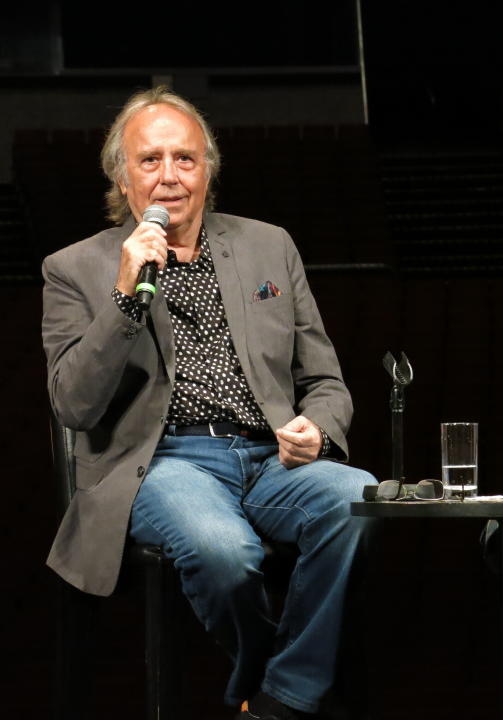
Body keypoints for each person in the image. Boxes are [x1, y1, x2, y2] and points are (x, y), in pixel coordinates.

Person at [42, 86, 375, 720]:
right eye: (150, 160)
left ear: (208, 169)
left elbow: (326, 381)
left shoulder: (268, 245)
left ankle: (280, 698)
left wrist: (318, 429)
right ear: (121, 174)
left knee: (357, 498)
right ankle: (286, 690)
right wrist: (122, 295)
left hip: (271, 456)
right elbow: (74, 406)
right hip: (163, 464)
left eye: (185, 159)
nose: (169, 177)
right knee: (225, 554)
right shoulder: (73, 268)